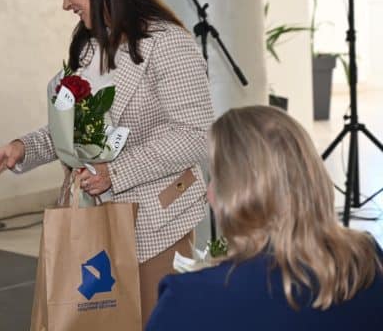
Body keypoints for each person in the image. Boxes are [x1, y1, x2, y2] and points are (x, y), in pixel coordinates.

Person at [0, 0, 214, 326]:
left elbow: (193, 135)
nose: (64, 3)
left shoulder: (169, 44)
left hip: (156, 221)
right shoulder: (89, 45)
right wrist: (25, 147)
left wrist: (116, 174)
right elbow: (78, 130)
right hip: (94, 218)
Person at [146, 105, 383, 330]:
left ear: (238, 195)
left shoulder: (188, 300)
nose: (209, 194)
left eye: (217, 178)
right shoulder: (366, 261)